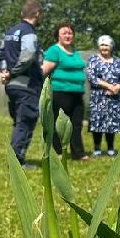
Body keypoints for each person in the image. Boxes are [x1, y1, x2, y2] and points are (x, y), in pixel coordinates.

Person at [0, 0, 44, 168]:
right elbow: (29, 54)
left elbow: (1, 55)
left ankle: (15, 158)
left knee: (18, 121)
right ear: (37, 13)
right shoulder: (28, 31)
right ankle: (16, 162)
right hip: (26, 85)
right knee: (26, 121)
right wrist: (14, 71)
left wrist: (4, 72)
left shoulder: (10, 32)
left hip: (11, 86)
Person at [42, 21, 89, 160]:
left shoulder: (74, 52)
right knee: (58, 123)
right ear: (58, 36)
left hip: (77, 93)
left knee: (77, 124)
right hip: (60, 92)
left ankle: (78, 153)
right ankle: (57, 152)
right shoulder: (54, 51)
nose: (68, 35)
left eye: (70, 33)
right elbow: (45, 70)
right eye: (64, 33)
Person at [86, 35, 120, 156]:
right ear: (99, 46)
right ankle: (97, 148)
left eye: (107, 45)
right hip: (98, 98)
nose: (104, 48)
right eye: (102, 45)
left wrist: (116, 88)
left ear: (111, 47)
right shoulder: (93, 60)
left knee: (111, 124)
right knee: (97, 123)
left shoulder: (117, 62)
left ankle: (110, 148)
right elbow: (92, 77)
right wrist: (109, 86)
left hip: (114, 98)